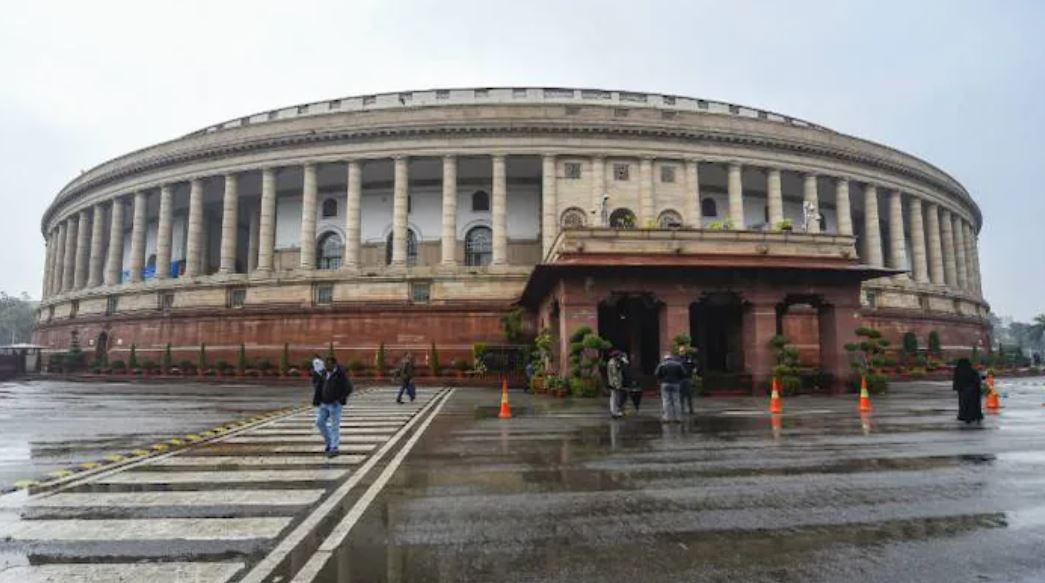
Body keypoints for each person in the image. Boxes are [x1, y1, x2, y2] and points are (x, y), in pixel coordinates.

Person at [316, 356, 353, 457]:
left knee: (334, 426)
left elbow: (349, 388)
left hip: (335, 404)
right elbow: (319, 386)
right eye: (326, 364)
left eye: (329, 364)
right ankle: (329, 442)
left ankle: (334, 447)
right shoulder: (324, 373)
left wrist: (340, 399)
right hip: (324, 403)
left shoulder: (340, 374)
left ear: (334, 364)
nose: (327, 366)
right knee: (319, 422)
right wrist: (317, 400)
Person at [654, 352, 687, 423]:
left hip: (665, 383)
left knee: (666, 401)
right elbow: (684, 373)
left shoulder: (662, 364)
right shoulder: (678, 364)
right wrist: (678, 379)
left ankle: (667, 418)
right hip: (675, 383)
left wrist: (661, 378)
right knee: (676, 401)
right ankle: (678, 418)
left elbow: (656, 374)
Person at [953, 357, 983, 424]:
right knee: (973, 404)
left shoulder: (957, 370)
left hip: (962, 390)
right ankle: (973, 416)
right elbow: (977, 380)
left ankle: (963, 416)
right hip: (973, 391)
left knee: (963, 404)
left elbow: (956, 380)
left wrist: (956, 388)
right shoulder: (972, 371)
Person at [607, 350, 627, 418]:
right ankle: (613, 412)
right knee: (614, 398)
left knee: (615, 398)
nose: (620, 357)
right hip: (614, 384)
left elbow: (624, 366)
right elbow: (614, 375)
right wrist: (617, 385)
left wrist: (624, 361)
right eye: (619, 356)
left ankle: (615, 411)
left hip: (616, 383)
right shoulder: (612, 363)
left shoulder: (616, 362)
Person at [677, 345, 696, 415]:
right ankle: (682, 410)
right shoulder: (677, 359)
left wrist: (692, 372)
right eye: (680, 351)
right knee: (681, 396)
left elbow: (694, 367)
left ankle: (691, 410)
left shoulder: (689, 359)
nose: (681, 352)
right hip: (680, 379)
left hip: (688, 379)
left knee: (689, 395)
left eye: (683, 351)